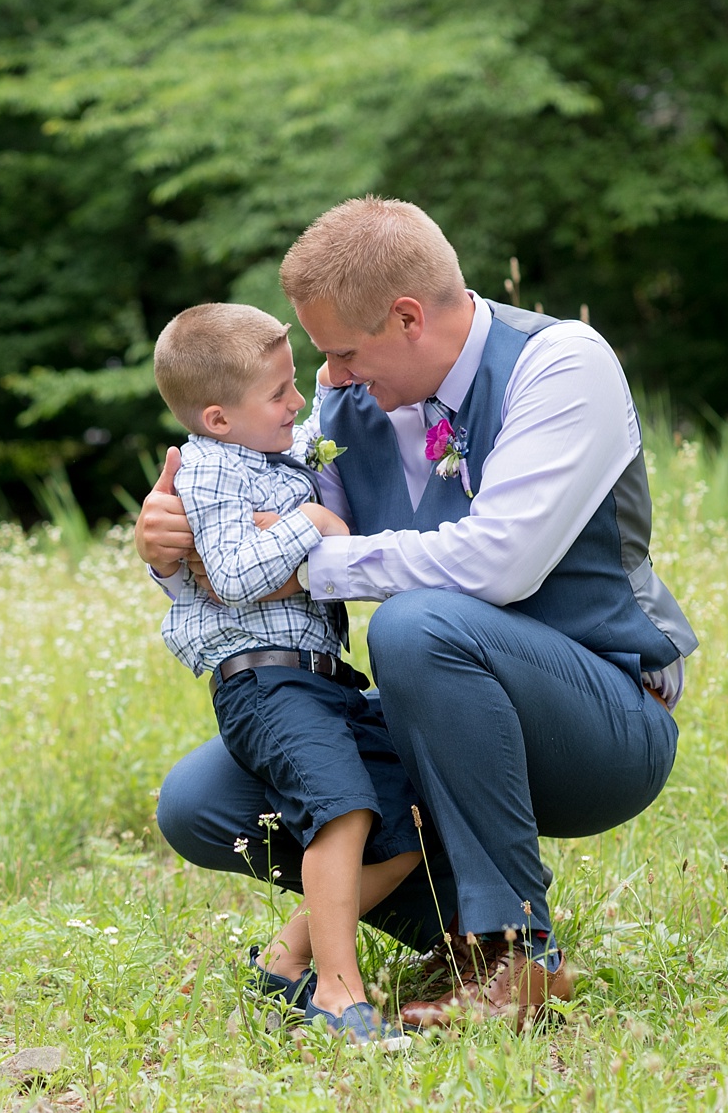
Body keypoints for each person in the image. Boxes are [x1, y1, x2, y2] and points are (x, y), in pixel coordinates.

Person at [138, 198, 698, 1030]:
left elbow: (495, 563)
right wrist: (174, 548)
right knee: (204, 799)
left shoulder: (559, 363)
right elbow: (258, 537)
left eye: (342, 353)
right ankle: (458, 935)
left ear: (406, 317)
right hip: (436, 708)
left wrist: (305, 557)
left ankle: (516, 947)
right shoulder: (344, 408)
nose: (329, 376)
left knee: (413, 625)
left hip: (602, 716)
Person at [151, 303, 423, 1048]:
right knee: (340, 811)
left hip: (323, 677)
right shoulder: (206, 469)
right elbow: (234, 573)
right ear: (218, 416)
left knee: (405, 826)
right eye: (279, 392)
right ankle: (340, 997)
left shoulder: (269, 452)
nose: (297, 402)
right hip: (265, 682)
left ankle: (288, 960)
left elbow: (320, 440)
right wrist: (316, 524)